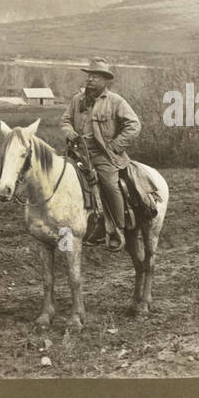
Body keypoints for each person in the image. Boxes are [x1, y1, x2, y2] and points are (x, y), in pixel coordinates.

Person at [60, 58, 141, 252]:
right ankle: (66, 228)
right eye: (89, 76)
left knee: (109, 184)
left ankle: (115, 229)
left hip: (103, 154)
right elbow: (65, 120)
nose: (90, 80)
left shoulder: (115, 101)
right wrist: (69, 132)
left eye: (96, 77)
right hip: (78, 153)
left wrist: (114, 145)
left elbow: (134, 125)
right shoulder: (77, 100)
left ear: (106, 81)